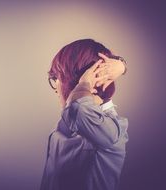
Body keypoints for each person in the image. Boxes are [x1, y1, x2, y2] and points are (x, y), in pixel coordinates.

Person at [40, 39, 129, 190]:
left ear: (84, 79)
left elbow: (78, 109)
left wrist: (84, 86)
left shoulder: (109, 130)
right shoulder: (71, 119)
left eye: (57, 78)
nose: (56, 88)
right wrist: (122, 64)